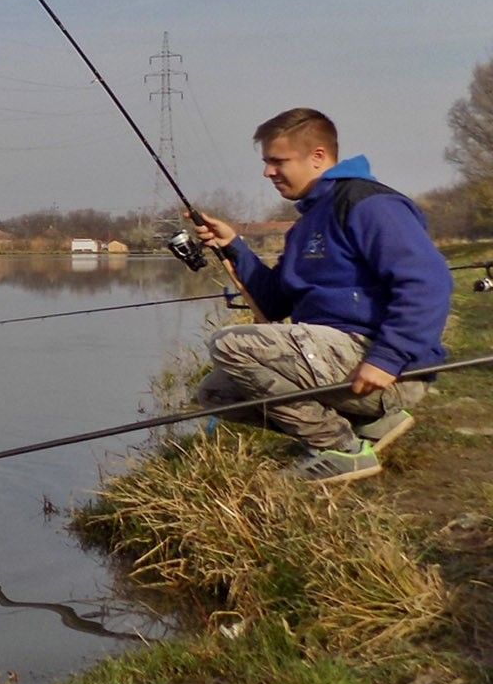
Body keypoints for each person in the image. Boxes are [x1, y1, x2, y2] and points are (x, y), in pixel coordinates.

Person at [191, 107, 452, 484]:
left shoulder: (369, 204)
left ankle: (341, 449)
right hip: (333, 357)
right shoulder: (307, 223)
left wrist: (389, 357)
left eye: (277, 161)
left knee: (230, 344)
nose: (268, 172)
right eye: (266, 163)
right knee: (217, 393)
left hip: (388, 370)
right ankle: (370, 425)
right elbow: (275, 302)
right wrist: (234, 247)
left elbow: (429, 282)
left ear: (318, 157)